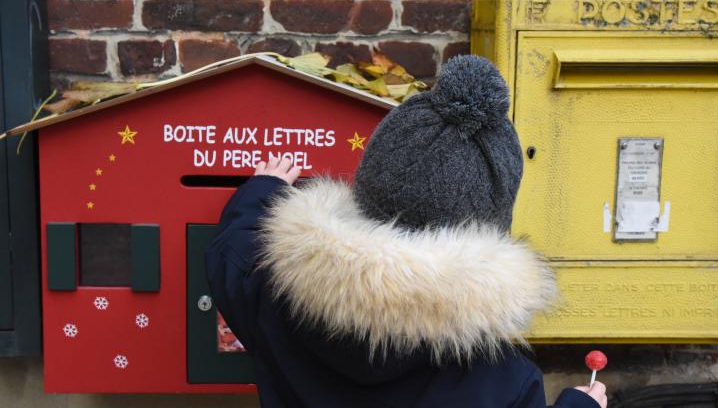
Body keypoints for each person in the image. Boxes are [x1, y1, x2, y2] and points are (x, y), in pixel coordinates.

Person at [206, 55, 607, 408]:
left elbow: (230, 254)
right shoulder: (503, 378)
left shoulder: (274, 299)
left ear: (369, 181)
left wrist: (262, 190)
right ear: (489, 224)